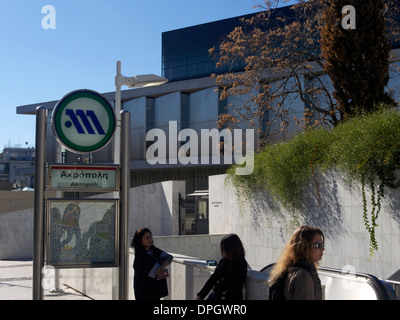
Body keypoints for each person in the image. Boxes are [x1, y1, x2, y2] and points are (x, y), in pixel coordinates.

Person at [268, 225, 325, 300]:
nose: (323, 249)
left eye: (322, 244)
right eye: (319, 245)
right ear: (305, 246)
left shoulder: (289, 268)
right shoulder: (303, 276)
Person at [197, 233, 248, 300]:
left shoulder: (241, 263)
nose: (223, 251)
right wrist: (201, 295)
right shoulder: (224, 261)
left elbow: (232, 282)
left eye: (224, 248)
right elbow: (214, 278)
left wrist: (216, 287)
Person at [132, 227, 173, 300]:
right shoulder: (140, 256)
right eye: (146, 238)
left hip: (155, 290)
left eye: (150, 237)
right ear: (140, 240)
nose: (149, 239)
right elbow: (153, 270)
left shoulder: (153, 250)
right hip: (144, 292)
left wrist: (162, 266)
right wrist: (160, 265)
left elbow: (169, 257)